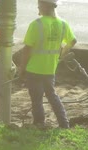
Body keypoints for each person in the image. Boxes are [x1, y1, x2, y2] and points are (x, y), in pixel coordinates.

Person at [20, 0, 77, 129]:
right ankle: (64, 124)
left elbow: (27, 49)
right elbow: (73, 40)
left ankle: (39, 124)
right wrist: (62, 54)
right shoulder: (62, 24)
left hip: (34, 68)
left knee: (37, 99)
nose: (38, 9)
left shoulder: (37, 24)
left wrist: (22, 68)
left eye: (39, 6)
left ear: (45, 6)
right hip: (50, 68)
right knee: (52, 95)